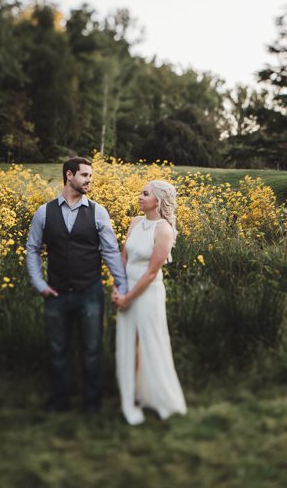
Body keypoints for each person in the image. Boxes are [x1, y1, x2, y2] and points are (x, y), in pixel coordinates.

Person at [26, 157, 127, 413]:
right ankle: (59, 402)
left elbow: (111, 251)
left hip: (90, 292)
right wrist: (39, 283)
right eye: (84, 175)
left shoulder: (98, 212)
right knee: (58, 350)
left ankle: (92, 404)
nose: (89, 180)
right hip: (56, 293)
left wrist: (122, 285)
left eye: (90, 176)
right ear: (69, 175)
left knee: (92, 350)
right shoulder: (44, 212)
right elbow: (33, 249)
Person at [111, 180, 187, 425]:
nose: (140, 197)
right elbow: (123, 257)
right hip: (126, 288)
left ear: (158, 201)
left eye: (146, 194)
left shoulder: (164, 230)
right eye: (141, 193)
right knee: (129, 343)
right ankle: (132, 395)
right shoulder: (136, 222)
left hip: (147, 294)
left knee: (150, 342)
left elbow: (152, 272)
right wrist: (117, 288)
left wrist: (128, 297)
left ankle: (159, 396)